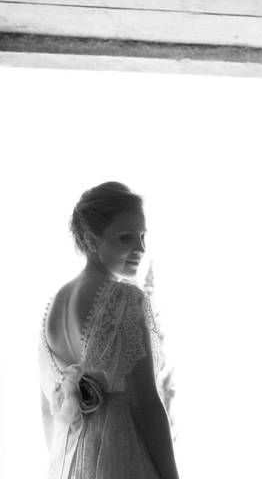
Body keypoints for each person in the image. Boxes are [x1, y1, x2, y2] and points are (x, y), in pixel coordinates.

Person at [39, 182, 179, 479]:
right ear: (91, 241)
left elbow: (49, 408)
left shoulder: (52, 308)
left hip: (75, 461)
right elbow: (147, 403)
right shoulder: (124, 298)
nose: (140, 248)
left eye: (142, 236)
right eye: (126, 237)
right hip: (123, 458)